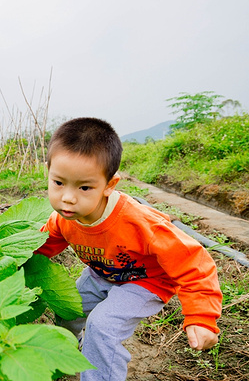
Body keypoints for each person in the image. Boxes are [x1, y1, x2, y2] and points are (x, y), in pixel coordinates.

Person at [34, 117, 222, 381]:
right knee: (69, 308)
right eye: (58, 183)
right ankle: (65, 350)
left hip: (147, 281)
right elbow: (39, 247)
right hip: (102, 273)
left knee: (103, 326)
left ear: (109, 185)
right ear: (48, 171)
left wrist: (201, 318)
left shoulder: (140, 223)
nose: (68, 197)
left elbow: (194, 263)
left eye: (84, 187)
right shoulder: (63, 219)